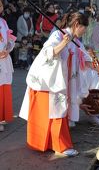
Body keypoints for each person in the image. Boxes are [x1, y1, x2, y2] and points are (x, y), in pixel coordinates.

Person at [19, 12, 91, 156]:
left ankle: (52, 144)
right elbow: (47, 52)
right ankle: (61, 146)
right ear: (77, 25)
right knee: (56, 113)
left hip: (63, 82)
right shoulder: (58, 35)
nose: (85, 31)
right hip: (51, 83)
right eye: (84, 27)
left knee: (57, 112)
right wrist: (64, 42)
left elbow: (83, 58)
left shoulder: (76, 41)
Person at [0, 0, 16, 132]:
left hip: (4, 59)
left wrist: (8, 49)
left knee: (3, 89)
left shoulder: (3, 22)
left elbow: (10, 40)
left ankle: (1, 117)